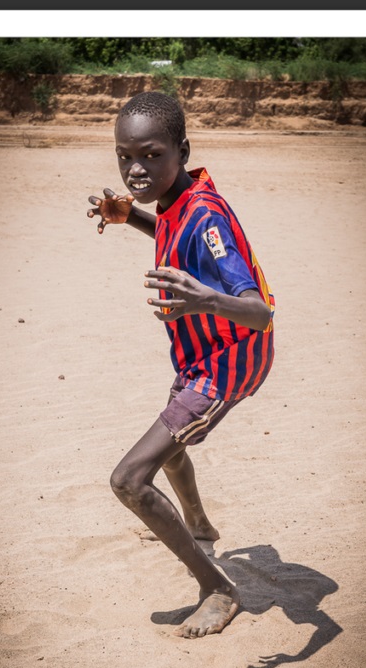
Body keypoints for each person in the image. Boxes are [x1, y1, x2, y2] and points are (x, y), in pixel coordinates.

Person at [87, 91, 275, 639]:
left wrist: (204, 300)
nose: (135, 170)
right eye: (125, 157)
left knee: (129, 479)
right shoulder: (180, 198)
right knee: (171, 447)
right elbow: (173, 229)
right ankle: (199, 526)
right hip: (201, 356)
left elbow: (259, 312)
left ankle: (219, 588)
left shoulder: (208, 217)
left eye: (151, 155)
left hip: (227, 363)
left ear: (182, 151)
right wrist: (132, 217)